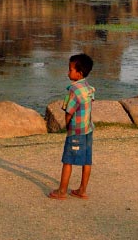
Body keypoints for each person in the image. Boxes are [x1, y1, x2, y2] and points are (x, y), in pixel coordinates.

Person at [48, 53, 95, 200]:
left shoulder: (73, 90)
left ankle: (62, 191)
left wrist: (67, 124)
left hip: (76, 130)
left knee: (68, 160)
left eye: (70, 69)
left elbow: (69, 111)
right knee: (87, 160)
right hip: (88, 128)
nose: (68, 72)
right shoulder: (88, 87)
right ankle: (82, 190)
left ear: (79, 72)